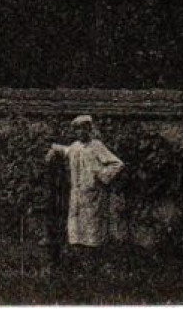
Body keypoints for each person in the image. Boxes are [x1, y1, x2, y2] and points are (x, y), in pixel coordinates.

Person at [45, 114, 124, 267]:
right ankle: (79, 261)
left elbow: (117, 164)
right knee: (77, 227)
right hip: (77, 194)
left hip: (93, 193)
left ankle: (95, 261)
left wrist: (100, 174)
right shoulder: (75, 147)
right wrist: (53, 149)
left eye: (84, 129)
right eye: (78, 130)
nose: (81, 133)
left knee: (93, 227)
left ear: (89, 130)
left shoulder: (97, 146)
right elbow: (65, 150)